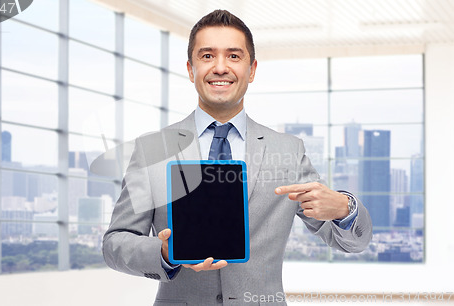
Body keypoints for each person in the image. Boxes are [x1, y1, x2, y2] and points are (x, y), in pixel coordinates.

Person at [103, 9, 372, 306]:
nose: (220, 67)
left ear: (252, 69)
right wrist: (165, 253)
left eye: (234, 56)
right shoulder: (153, 149)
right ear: (191, 69)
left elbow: (353, 241)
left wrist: (344, 208)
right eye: (207, 56)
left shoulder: (288, 151)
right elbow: (115, 243)